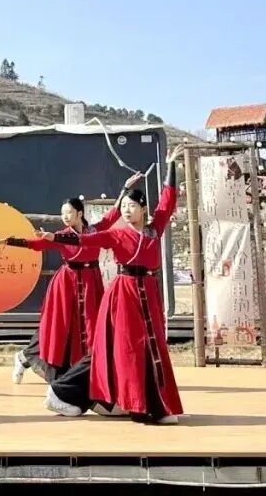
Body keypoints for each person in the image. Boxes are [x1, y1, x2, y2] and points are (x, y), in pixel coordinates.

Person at [42, 145, 186, 424]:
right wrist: (56, 238)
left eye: (131, 206)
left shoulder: (154, 230)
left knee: (149, 347)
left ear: (143, 208)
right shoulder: (116, 235)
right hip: (124, 294)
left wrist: (170, 165)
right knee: (120, 349)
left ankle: (146, 404)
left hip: (148, 293)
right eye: (123, 207)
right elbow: (86, 239)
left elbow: (168, 202)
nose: (126, 211)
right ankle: (64, 391)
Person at [0, 177, 141, 384]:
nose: (65, 217)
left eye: (69, 213)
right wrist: (11, 241)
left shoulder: (96, 230)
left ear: (80, 213)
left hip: (91, 282)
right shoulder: (60, 236)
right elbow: (37, 245)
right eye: (62, 213)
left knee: (93, 326)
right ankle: (25, 357)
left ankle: (88, 371)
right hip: (67, 284)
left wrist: (126, 188)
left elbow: (115, 212)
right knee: (58, 327)